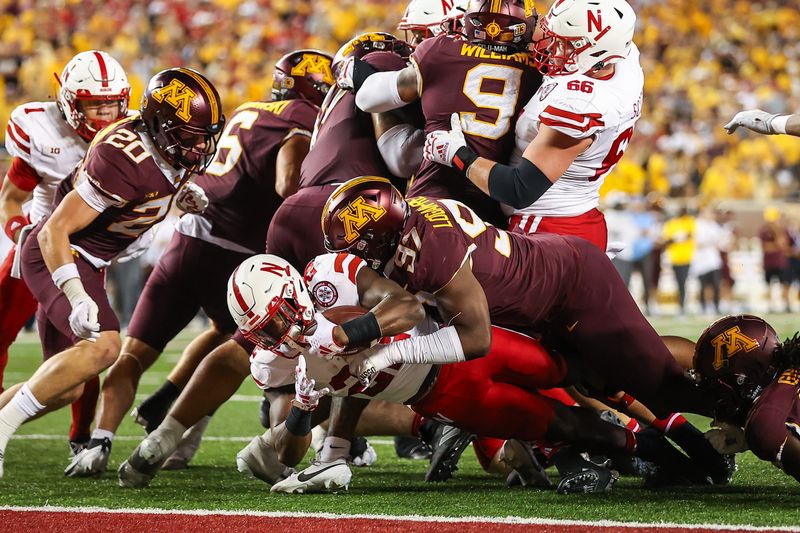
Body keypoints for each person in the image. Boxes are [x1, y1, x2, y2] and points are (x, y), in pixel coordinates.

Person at [64, 51, 334, 477]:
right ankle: (183, 429)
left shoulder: (251, 109)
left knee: (137, 351)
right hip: (234, 254)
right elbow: (288, 183)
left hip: (187, 237)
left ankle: (102, 438)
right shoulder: (303, 118)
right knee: (239, 345)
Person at [321, 177, 717, 423]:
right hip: (541, 292)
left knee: (658, 383)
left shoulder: (429, 249)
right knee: (597, 379)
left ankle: (742, 390)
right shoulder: (413, 223)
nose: (356, 256)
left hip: (569, 283)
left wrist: (391, 355)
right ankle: (691, 449)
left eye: (357, 245)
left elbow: (476, 340)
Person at [0, 67, 225, 478]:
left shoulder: (167, 147)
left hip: (89, 258)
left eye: (203, 135)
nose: (199, 146)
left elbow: (158, 181)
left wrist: (180, 192)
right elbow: (54, 230)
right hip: (59, 254)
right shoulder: (124, 156)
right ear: (160, 127)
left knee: (64, 386)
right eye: (189, 136)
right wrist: (75, 293)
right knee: (106, 347)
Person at [423, 0, 641, 253]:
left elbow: (519, 189)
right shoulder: (622, 59)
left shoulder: (579, 104)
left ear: (598, 55)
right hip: (579, 216)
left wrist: (457, 155)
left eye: (565, 43)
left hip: (546, 227)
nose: (551, 46)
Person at [0, 50, 130, 454]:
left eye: (112, 103)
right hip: (37, 244)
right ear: (70, 102)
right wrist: (21, 233)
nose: (106, 114)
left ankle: (82, 436)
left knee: (88, 348)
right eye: (95, 105)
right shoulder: (43, 131)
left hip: (86, 255)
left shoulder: (133, 137)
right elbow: (11, 198)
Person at [339, 0, 542, 226]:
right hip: (493, 213)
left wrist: (358, 74)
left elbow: (367, 98)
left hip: (431, 199)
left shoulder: (440, 51)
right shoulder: (539, 71)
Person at [695, 315, 800, 484]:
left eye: (720, 385)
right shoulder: (787, 384)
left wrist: (751, 436)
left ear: (745, 378)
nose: (718, 394)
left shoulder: (766, 424)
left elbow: (766, 431)